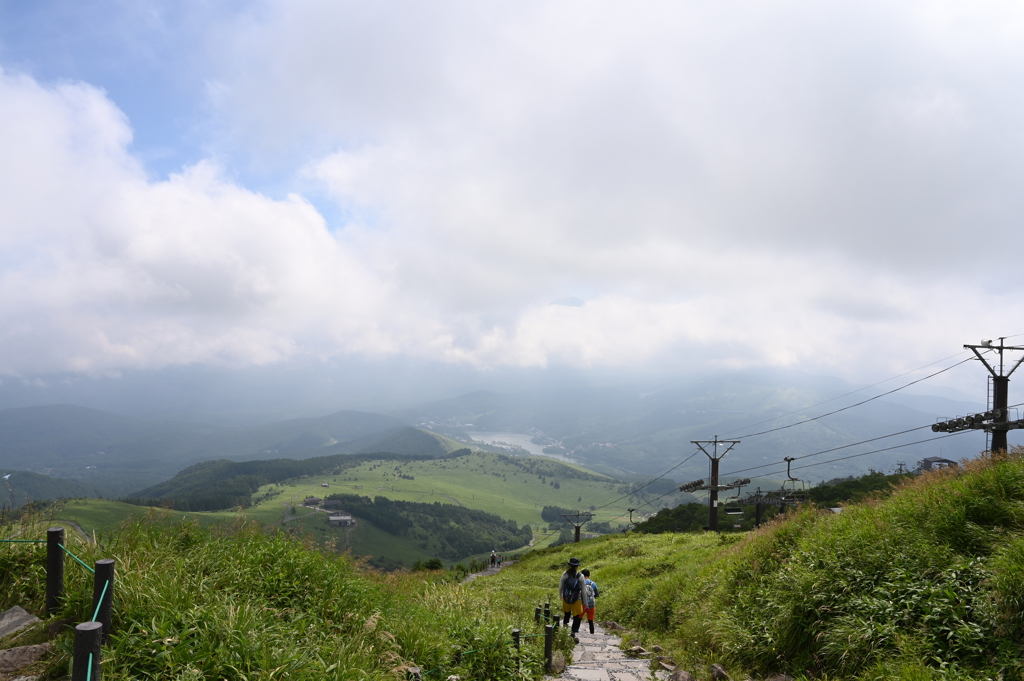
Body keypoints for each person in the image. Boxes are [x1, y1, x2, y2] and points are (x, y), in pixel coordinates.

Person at [559, 557, 584, 642]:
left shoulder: (565, 574)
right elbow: (583, 590)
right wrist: (585, 601)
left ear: (569, 565)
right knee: (576, 616)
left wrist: (561, 596)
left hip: (566, 598)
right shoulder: (581, 576)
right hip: (577, 599)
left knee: (567, 614)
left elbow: (560, 587)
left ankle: (565, 630)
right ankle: (573, 633)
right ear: (577, 566)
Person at [581, 568, 599, 634]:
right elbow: (597, 595)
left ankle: (574, 633)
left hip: (582, 605)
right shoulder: (593, 584)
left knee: (578, 620)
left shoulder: (580, 583)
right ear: (589, 575)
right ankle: (592, 634)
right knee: (591, 621)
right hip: (591, 605)